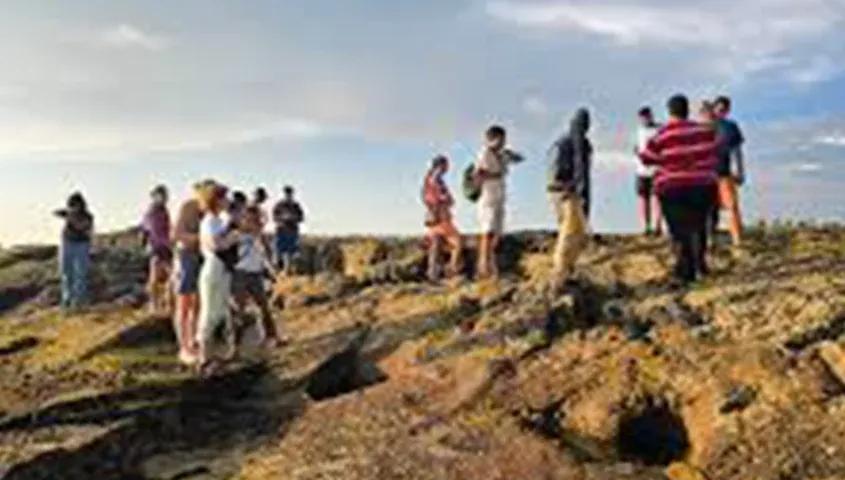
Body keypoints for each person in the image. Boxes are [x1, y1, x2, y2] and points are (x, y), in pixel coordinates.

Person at [640, 94, 719, 285]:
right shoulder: (704, 131)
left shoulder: (662, 134)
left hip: (672, 188)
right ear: (687, 110)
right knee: (699, 226)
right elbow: (714, 151)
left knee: (679, 230)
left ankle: (686, 271)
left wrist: (665, 159)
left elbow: (647, 158)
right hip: (703, 186)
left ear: (670, 111)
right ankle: (700, 264)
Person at [196, 182, 240, 375]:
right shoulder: (209, 221)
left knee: (220, 311)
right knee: (211, 313)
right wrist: (233, 237)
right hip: (214, 268)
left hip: (221, 269)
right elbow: (215, 245)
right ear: (217, 200)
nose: (227, 201)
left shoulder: (216, 221)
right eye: (224, 197)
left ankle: (216, 357)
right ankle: (205, 358)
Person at [547, 108, 593, 288]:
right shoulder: (564, 143)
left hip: (572, 192)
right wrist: (564, 188)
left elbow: (584, 173)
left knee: (577, 233)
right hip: (565, 192)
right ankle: (559, 274)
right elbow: (555, 172)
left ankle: (568, 269)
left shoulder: (582, 144)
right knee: (569, 232)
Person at [474, 125, 524, 279]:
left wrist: (510, 155)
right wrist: (497, 174)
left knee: (496, 234)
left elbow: (520, 159)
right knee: (487, 232)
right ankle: (483, 267)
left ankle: (491, 265)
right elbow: (477, 177)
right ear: (492, 139)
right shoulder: (484, 154)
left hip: (499, 198)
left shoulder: (502, 155)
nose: (503, 142)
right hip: (488, 198)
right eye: (501, 139)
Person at [232, 206, 284, 348]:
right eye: (248, 219)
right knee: (239, 308)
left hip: (256, 273)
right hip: (240, 273)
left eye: (254, 219)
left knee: (264, 306)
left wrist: (271, 270)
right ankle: (236, 343)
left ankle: (272, 336)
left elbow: (266, 254)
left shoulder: (259, 236)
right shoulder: (236, 235)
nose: (251, 222)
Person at [172, 180, 209, 365]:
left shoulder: (212, 210)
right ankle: (183, 347)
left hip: (203, 256)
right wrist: (200, 238)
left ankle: (194, 341)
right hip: (186, 255)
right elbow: (177, 234)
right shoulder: (188, 207)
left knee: (199, 303)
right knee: (184, 302)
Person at [712, 95, 746, 250]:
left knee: (732, 207)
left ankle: (737, 241)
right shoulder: (705, 126)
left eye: (725, 109)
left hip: (724, 173)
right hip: (707, 175)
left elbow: (737, 151)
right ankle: (710, 242)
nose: (722, 111)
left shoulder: (731, 127)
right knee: (709, 210)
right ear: (714, 108)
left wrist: (740, 171)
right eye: (719, 108)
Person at [422, 155, 463, 281]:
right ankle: (451, 270)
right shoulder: (436, 180)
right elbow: (444, 198)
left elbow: (428, 199)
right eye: (446, 165)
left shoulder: (427, 181)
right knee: (457, 244)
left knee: (436, 245)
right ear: (440, 166)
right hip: (442, 217)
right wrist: (447, 200)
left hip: (433, 218)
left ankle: (433, 273)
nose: (447, 168)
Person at [54, 192, 94, 311]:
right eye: (71, 205)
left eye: (75, 205)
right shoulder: (69, 214)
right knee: (66, 273)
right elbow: (57, 213)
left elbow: (84, 228)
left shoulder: (88, 216)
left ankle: (79, 302)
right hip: (67, 243)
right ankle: (67, 301)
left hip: (81, 245)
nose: (73, 208)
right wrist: (67, 215)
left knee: (80, 274)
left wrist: (72, 219)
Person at [140, 185, 173, 315]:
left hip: (162, 247)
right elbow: (153, 231)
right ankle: (154, 304)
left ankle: (161, 303)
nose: (164, 198)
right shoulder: (152, 212)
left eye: (165, 195)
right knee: (156, 277)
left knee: (165, 276)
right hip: (158, 247)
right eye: (161, 195)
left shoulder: (163, 210)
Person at [633, 107, 662, 236]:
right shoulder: (639, 131)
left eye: (646, 116)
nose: (644, 119)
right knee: (643, 198)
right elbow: (636, 147)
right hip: (641, 170)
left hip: (657, 170)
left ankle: (657, 225)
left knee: (657, 198)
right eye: (642, 117)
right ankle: (646, 226)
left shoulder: (659, 130)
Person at [272, 186, 305, 275]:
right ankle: (277, 269)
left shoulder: (296, 206)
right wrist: (283, 218)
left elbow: (301, 218)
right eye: (287, 193)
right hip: (281, 230)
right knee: (279, 250)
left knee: (290, 251)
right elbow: (274, 217)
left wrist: (293, 217)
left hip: (292, 230)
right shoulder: (279, 205)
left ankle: (288, 270)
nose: (288, 195)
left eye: (290, 193)